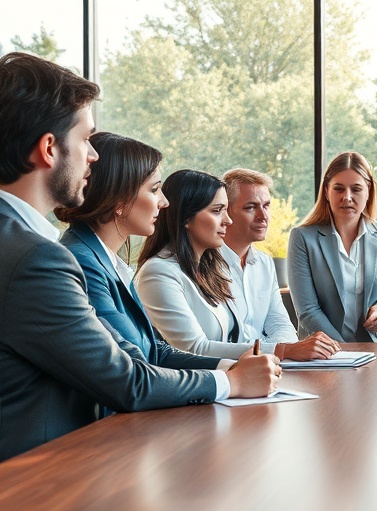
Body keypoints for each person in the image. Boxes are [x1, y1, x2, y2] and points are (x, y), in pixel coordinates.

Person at [0, 52, 277, 460]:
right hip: (45, 475)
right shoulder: (39, 259)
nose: (92, 156)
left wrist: (235, 371)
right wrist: (232, 383)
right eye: (85, 139)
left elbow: (142, 355)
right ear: (48, 149)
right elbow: (126, 379)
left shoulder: (30, 246)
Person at [54, 132, 244, 374]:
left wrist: (231, 367)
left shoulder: (109, 261)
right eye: (154, 190)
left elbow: (154, 351)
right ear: (120, 200)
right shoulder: (81, 262)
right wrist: (230, 380)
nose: (164, 202)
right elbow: (132, 369)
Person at [220, 168, 341, 358]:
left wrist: (283, 353)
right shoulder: (204, 266)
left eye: (266, 206)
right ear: (225, 212)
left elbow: (280, 324)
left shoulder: (264, 263)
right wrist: (280, 351)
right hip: (228, 368)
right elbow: (213, 344)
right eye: (250, 207)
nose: (263, 216)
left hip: (268, 365)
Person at [288, 152, 377, 342]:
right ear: (326, 191)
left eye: (356, 189)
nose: (347, 197)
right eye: (339, 189)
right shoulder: (302, 238)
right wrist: (344, 350)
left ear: (368, 191)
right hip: (323, 350)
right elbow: (308, 311)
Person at [135, 170, 252, 358]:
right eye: (217, 211)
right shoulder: (158, 272)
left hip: (228, 373)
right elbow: (194, 349)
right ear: (186, 218)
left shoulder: (211, 269)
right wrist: (281, 350)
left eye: (226, 210)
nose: (228, 221)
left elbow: (238, 339)